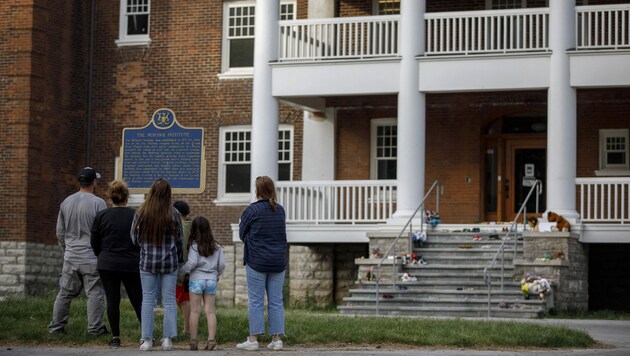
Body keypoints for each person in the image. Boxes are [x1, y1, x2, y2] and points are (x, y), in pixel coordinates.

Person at [48, 167, 108, 336]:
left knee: (64, 293)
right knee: (95, 292)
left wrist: (65, 249)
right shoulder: (98, 203)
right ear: (94, 182)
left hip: (71, 256)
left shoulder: (66, 202)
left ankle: (56, 327)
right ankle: (95, 329)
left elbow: (60, 231)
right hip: (91, 256)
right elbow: (103, 231)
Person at [131, 178, 183, 351]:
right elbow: (180, 240)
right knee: (169, 300)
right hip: (170, 262)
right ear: (168, 193)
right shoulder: (174, 213)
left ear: (152, 191)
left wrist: (145, 248)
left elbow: (134, 238)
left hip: (147, 262)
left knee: (147, 300)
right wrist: (179, 258)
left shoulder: (141, 211)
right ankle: (167, 339)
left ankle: (147, 340)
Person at [236, 176, 287, 351]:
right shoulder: (280, 210)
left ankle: (253, 339)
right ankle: (277, 339)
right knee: (276, 301)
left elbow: (242, 234)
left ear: (257, 190)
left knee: (256, 301)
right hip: (278, 261)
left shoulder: (252, 210)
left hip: (256, 260)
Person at [90, 179, 142, 347]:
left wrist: (102, 255)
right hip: (131, 263)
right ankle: (146, 335)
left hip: (107, 263)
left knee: (112, 300)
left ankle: (115, 337)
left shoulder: (102, 215)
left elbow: (94, 241)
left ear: (110, 198)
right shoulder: (135, 215)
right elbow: (141, 240)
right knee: (137, 299)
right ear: (126, 197)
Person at [181, 216, 225, 351]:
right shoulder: (217, 246)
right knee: (210, 311)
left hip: (196, 280)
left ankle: (193, 342)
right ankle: (211, 340)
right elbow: (222, 265)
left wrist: (181, 271)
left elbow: (192, 263)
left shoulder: (194, 246)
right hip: (211, 280)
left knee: (195, 311)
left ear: (194, 230)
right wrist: (216, 275)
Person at [173, 200, 192, 336]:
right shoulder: (186, 225)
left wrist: (182, 270)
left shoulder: (184, 227)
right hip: (184, 270)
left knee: (184, 299)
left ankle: (187, 329)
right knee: (179, 299)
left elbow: (183, 250)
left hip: (183, 270)